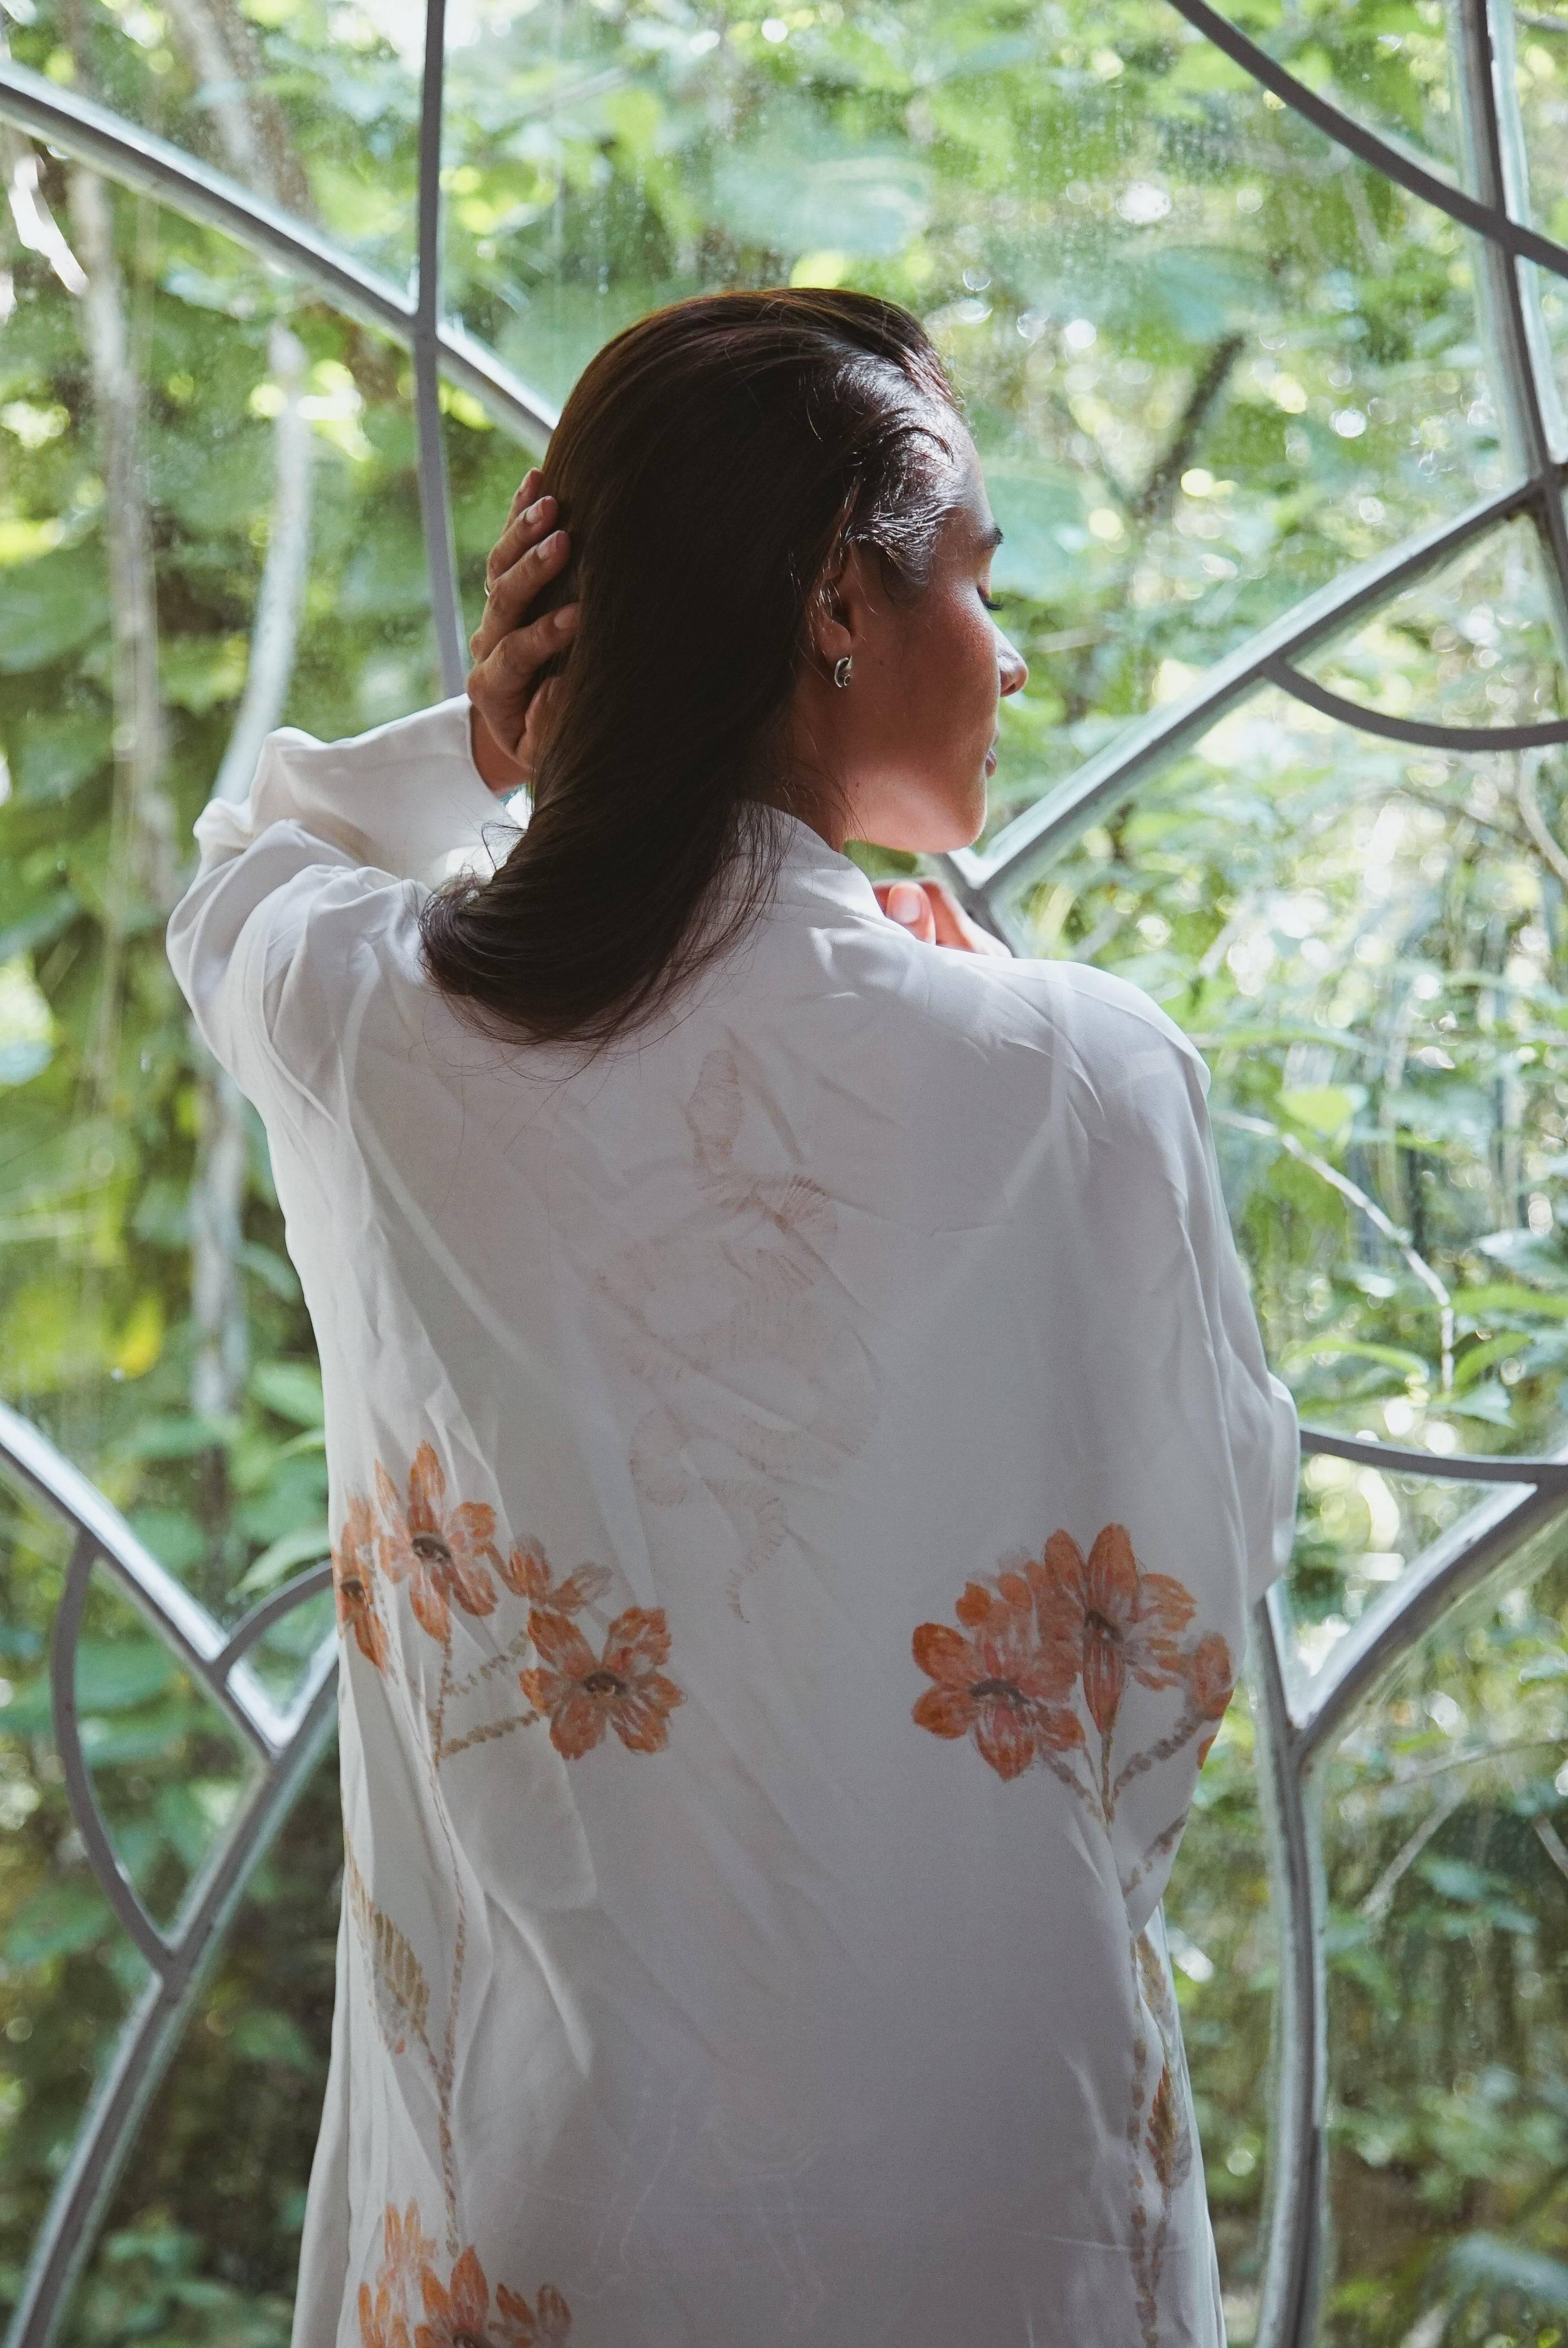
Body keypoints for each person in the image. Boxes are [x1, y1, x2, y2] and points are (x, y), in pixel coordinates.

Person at [168, 288, 1297, 2348]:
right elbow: (1187, 1617)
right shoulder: (1072, 1071)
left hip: (554, 2188)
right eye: (974, 574)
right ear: (831, 611)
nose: (1012, 647)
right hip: (965, 2169)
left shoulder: (385, 1022)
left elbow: (243, 878)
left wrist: (482, 750)